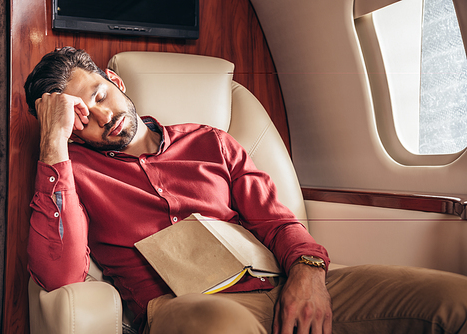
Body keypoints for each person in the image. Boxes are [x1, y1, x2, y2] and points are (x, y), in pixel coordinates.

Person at [25, 47, 467, 334]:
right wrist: (54, 143)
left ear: (116, 83)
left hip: (276, 280)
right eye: (82, 117)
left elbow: (277, 221)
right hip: (182, 308)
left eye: (100, 96)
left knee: (452, 300)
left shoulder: (210, 141)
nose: (103, 117)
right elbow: (58, 274)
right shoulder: (70, 172)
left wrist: (308, 275)